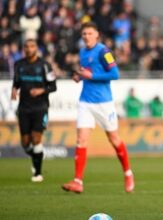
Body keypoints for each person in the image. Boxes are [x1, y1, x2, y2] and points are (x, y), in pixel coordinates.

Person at [61, 22, 134, 194]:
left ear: (97, 35)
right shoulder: (82, 51)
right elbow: (87, 72)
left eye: (89, 33)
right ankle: (78, 181)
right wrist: (80, 77)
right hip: (85, 101)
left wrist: (91, 76)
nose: (86, 36)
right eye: (84, 33)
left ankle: (128, 173)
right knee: (81, 140)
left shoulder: (104, 51)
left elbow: (114, 74)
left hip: (103, 103)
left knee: (114, 139)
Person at [11, 39, 57, 182]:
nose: (29, 49)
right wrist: (14, 90)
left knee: (36, 138)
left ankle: (38, 173)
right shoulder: (18, 65)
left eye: (32, 46)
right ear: (24, 49)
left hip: (40, 107)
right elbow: (16, 82)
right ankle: (37, 157)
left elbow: (53, 86)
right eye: (26, 47)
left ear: (36, 48)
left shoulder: (45, 65)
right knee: (25, 142)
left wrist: (41, 90)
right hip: (24, 107)